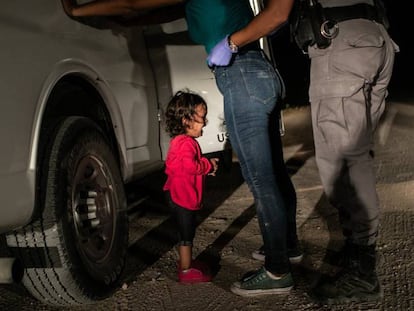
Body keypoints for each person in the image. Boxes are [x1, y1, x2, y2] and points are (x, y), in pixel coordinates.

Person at [62, 0, 301, 297]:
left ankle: (277, 270)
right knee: (274, 173)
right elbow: (154, 13)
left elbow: (131, 4)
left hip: (241, 76)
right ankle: (287, 247)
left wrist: (75, 10)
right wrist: (126, 24)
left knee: (261, 180)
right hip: (257, 73)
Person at [291, 0, 399, 305]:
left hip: (341, 42)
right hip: (374, 36)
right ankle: (357, 254)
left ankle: (362, 273)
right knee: (358, 155)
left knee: (344, 162)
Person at [163, 90, 219, 283]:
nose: (204, 122)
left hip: (175, 194)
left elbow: (184, 165)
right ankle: (186, 270)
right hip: (182, 197)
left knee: (185, 232)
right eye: (201, 118)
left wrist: (205, 165)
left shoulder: (180, 142)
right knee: (187, 234)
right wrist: (208, 165)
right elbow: (190, 166)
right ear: (186, 120)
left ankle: (186, 264)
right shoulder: (186, 143)